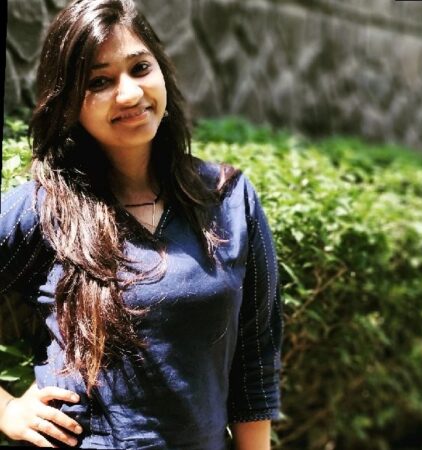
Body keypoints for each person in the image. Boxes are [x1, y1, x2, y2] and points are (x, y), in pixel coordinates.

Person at [0, 0, 282, 448]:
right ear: (69, 103)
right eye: (99, 81)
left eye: (140, 68)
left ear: (162, 72)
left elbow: (255, 356)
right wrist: (6, 409)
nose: (129, 94)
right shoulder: (45, 207)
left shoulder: (227, 198)